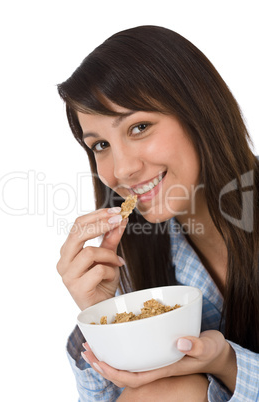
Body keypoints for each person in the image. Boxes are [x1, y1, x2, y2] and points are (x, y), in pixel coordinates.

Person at [56, 25, 259, 401]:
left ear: (199, 112)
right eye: (100, 144)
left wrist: (227, 363)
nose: (122, 170)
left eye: (139, 127)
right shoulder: (138, 253)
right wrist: (105, 317)